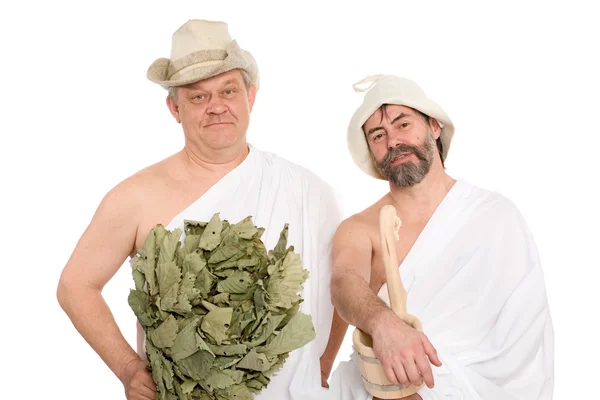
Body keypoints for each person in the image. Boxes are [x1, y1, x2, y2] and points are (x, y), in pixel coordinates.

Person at [57, 19, 345, 400]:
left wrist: (321, 367)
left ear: (250, 97)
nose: (216, 107)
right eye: (197, 97)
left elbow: (342, 285)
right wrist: (128, 369)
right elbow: (75, 285)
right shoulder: (136, 196)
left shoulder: (308, 190)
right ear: (174, 108)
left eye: (228, 90)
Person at [327, 75, 554, 399]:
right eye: (378, 135)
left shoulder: (495, 215)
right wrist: (384, 324)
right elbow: (344, 281)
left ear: (434, 126)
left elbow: (524, 335)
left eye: (402, 124)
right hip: (384, 386)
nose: (393, 141)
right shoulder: (360, 227)